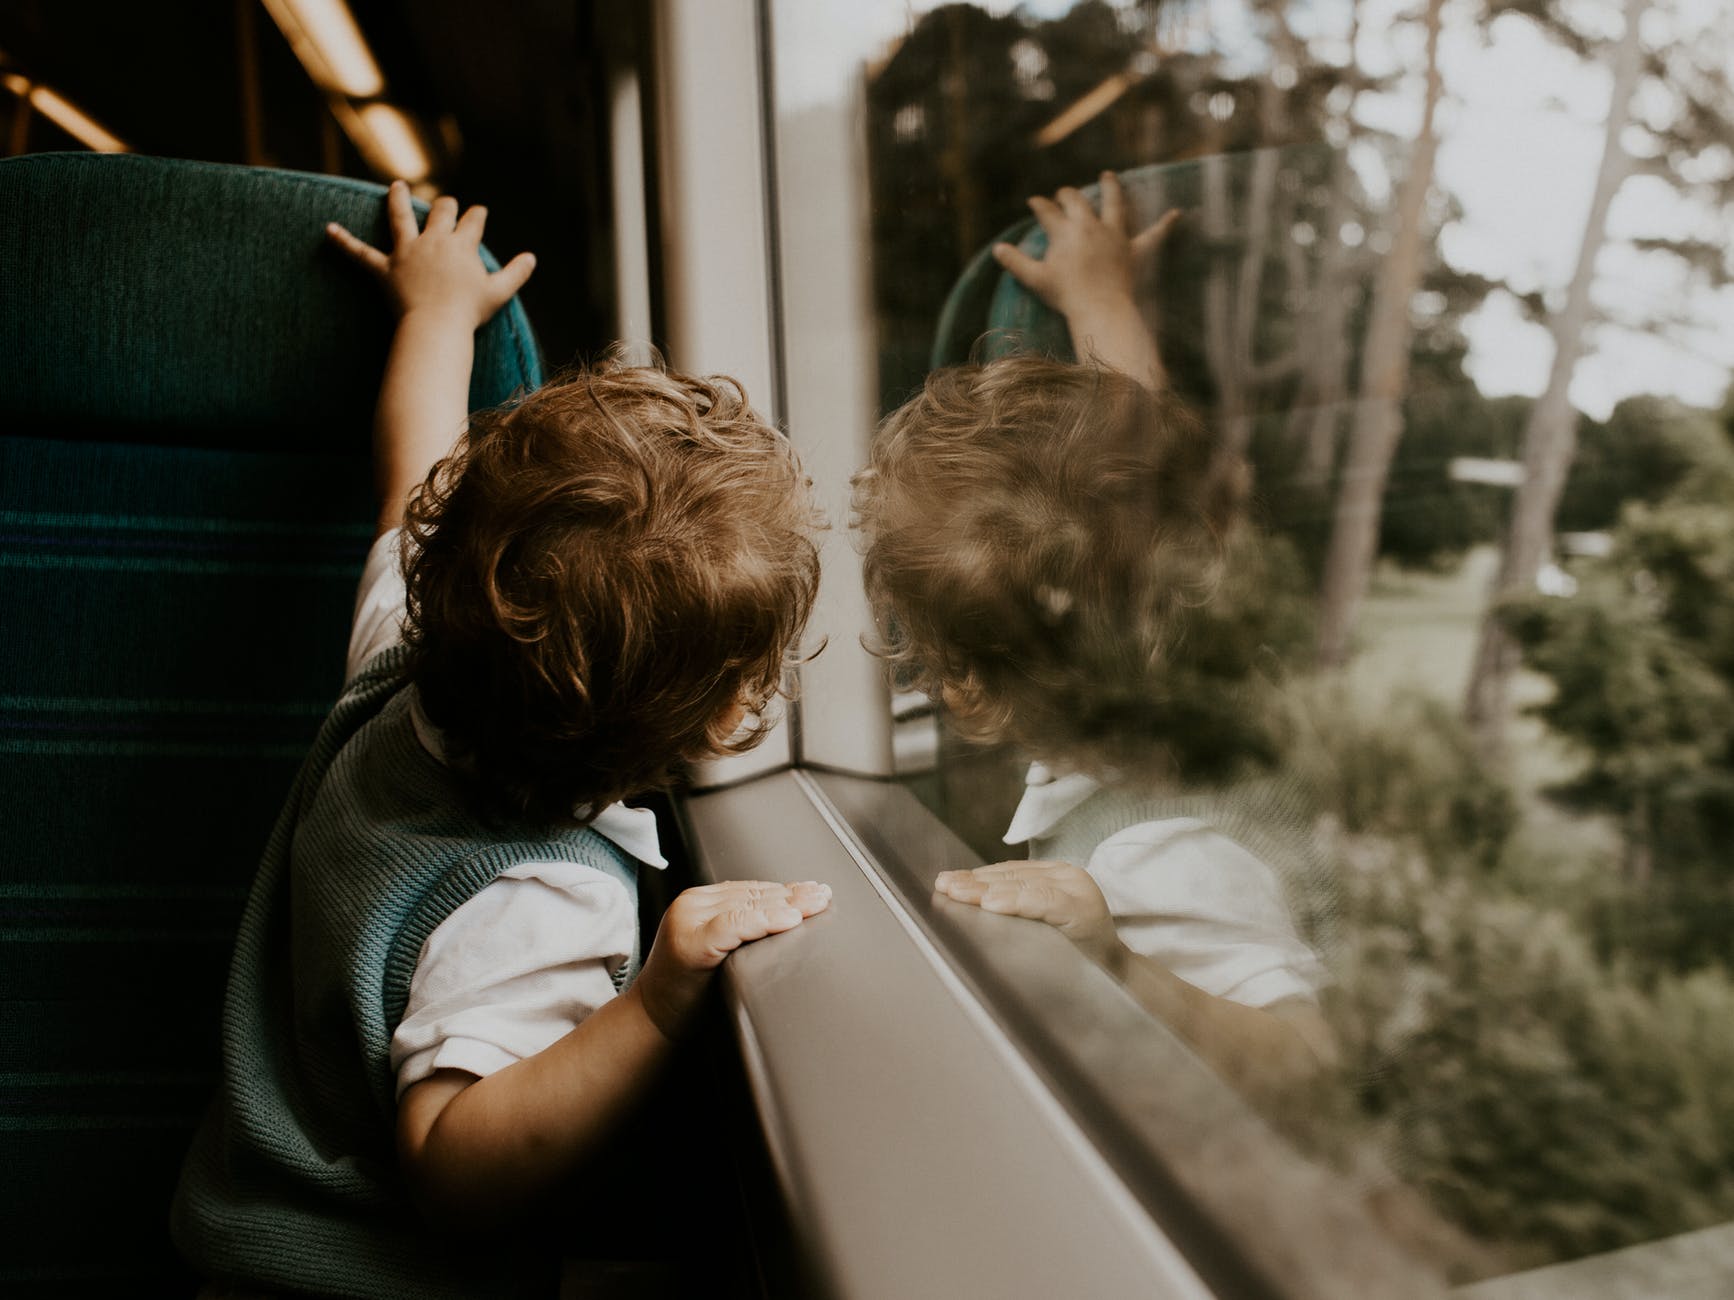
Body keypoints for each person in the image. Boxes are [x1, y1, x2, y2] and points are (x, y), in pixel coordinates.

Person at [171, 181, 830, 1299]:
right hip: (352, 1276)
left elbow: (404, 473)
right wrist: (655, 999)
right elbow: (454, 1171)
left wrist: (436, 315)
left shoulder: (398, 667)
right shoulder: (535, 899)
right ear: (726, 712)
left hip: (235, 1219)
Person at [853, 171, 1332, 1091]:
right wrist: (1099, 297)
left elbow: (1311, 1065)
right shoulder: (1200, 642)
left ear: (968, 689)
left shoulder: (1162, 858)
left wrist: (1116, 960)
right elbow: (1132, 491)